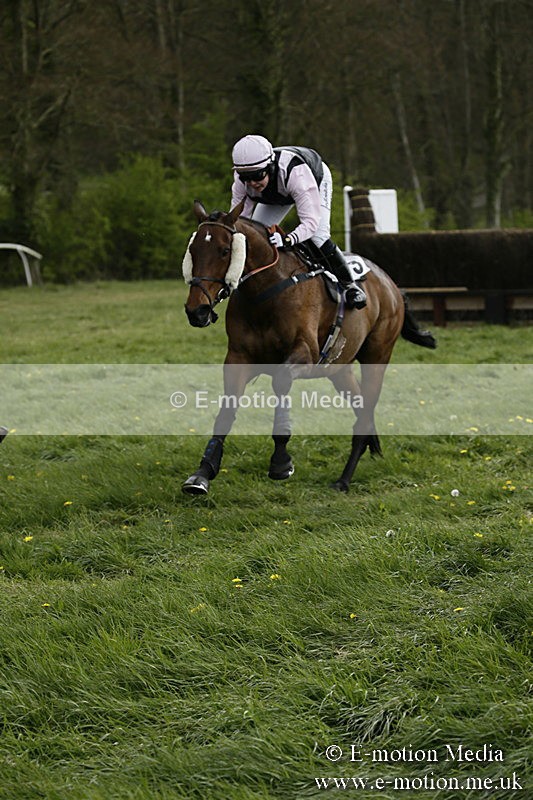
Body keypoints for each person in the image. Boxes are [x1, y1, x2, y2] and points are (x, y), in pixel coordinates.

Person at [230, 134, 366, 309]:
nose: (252, 183)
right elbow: (240, 221)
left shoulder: (298, 175)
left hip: (313, 180)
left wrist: (287, 239)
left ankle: (350, 285)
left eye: (257, 176)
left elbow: (310, 223)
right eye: (245, 177)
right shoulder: (242, 181)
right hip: (279, 191)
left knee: (318, 236)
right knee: (254, 235)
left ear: (270, 167)